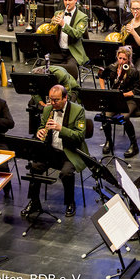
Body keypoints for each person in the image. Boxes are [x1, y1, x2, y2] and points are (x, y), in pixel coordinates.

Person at [22, 85, 88, 218]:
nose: (52, 103)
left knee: (66, 173)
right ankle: (34, 202)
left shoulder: (78, 110)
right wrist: (39, 132)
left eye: (56, 100)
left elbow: (80, 136)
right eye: (50, 99)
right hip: (51, 151)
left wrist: (60, 128)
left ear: (65, 98)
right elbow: (42, 126)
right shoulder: (48, 109)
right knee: (34, 168)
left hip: (70, 152)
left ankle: (70, 202)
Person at [99, 45, 140, 157]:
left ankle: (134, 144)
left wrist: (122, 95)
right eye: (120, 58)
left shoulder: (133, 71)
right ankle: (109, 141)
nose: (121, 61)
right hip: (114, 99)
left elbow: (136, 90)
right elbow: (101, 75)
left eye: (124, 59)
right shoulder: (112, 67)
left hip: (129, 100)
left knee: (124, 117)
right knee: (105, 116)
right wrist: (104, 90)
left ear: (129, 59)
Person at [27, 65, 82, 135]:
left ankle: (65, 129)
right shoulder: (34, 75)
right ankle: (36, 132)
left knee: (66, 104)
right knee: (32, 102)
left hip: (70, 89)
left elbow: (67, 93)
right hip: (48, 89)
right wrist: (42, 103)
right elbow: (34, 91)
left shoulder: (61, 75)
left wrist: (54, 103)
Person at [48, 0, 89, 79]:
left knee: (71, 69)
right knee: (44, 63)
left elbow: (77, 34)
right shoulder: (58, 13)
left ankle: (58, 74)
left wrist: (63, 25)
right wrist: (52, 26)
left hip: (73, 52)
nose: (67, 3)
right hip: (59, 51)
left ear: (75, 0)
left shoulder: (82, 17)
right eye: (65, 0)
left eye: (70, 0)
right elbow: (52, 31)